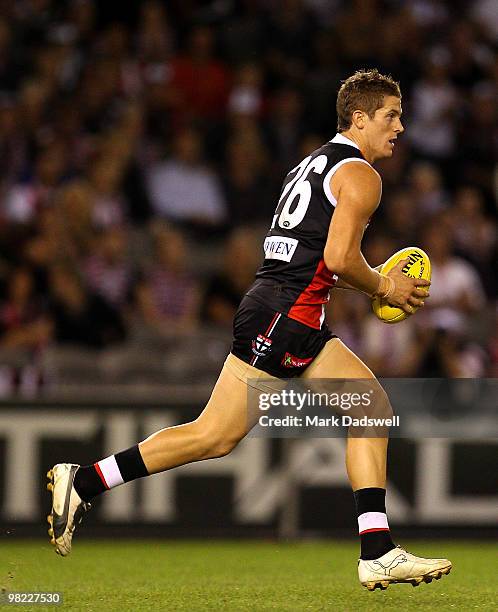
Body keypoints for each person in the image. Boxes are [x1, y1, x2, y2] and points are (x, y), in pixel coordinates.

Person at [47, 69, 452, 591]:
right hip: (288, 315)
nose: (400, 127)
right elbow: (336, 258)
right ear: (359, 117)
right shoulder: (362, 176)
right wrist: (383, 287)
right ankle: (376, 551)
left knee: (245, 430)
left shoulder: (310, 165)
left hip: (277, 307)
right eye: (391, 115)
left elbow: (309, 261)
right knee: (230, 433)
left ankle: (83, 481)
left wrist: (371, 283)